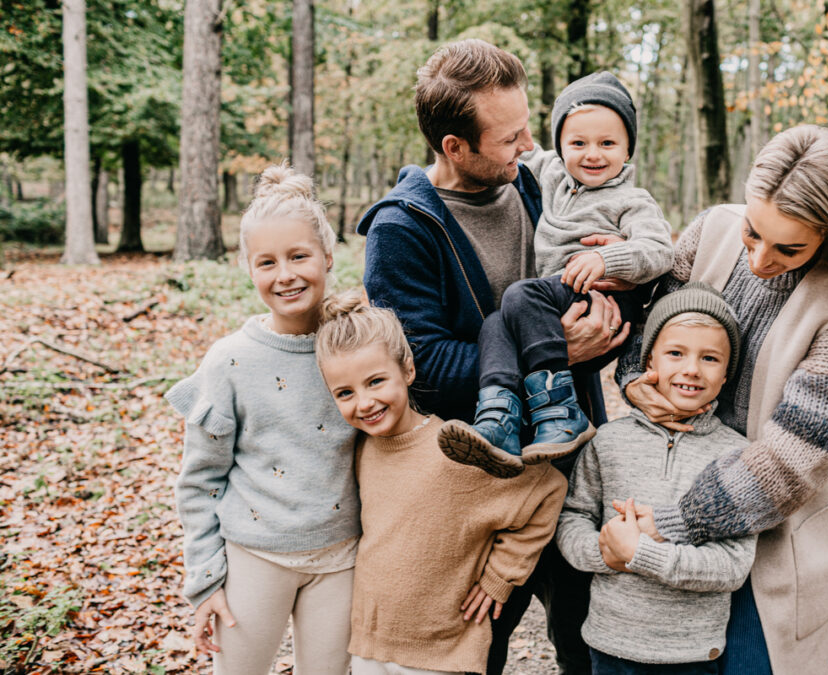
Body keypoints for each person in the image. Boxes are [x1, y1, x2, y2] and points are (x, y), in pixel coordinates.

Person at [356, 39, 620, 673]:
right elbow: (422, 366)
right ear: (455, 147)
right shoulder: (402, 231)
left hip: (575, 455)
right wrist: (554, 351)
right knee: (479, 646)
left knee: (590, 641)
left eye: (528, 126)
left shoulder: (537, 186)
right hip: (485, 480)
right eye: (510, 137)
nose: (529, 145)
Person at [613, 125, 828, 675]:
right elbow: (646, 336)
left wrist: (675, 523)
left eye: (789, 248)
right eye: (754, 233)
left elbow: (791, 462)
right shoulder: (709, 231)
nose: (758, 259)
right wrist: (637, 381)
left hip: (772, 542)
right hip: (666, 495)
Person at [166, 163, 359, 673]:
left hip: (342, 557)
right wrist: (205, 579)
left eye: (299, 256)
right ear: (248, 268)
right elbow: (200, 479)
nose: (286, 275)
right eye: (267, 262)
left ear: (327, 255)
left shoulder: (358, 345)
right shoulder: (230, 361)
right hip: (255, 557)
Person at [314, 291, 567, 675]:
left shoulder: (456, 448)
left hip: (443, 652)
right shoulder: (362, 450)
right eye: (345, 393)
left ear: (408, 370)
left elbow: (547, 489)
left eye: (376, 381)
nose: (364, 402)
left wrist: (501, 576)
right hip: (370, 646)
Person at [438, 71, 674, 477]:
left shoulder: (633, 200)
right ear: (560, 146)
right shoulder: (552, 176)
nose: (592, 154)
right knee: (496, 323)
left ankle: (560, 408)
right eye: (577, 143)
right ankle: (499, 416)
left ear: (628, 148)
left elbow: (659, 250)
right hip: (556, 295)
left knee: (518, 296)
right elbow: (504, 147)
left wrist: (608, 261)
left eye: (607, 143)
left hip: (604, 297)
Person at [557, 283, 757, 673]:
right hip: (610, 642)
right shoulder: (608, 441)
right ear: (650, 361)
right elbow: (571, 518)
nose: (691, 369)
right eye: (676, 353)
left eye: (710, 358)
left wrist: (642, 554)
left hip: (692, 654)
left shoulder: (739, 456)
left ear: (726, 374)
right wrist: (606, 551)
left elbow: (733, 565)